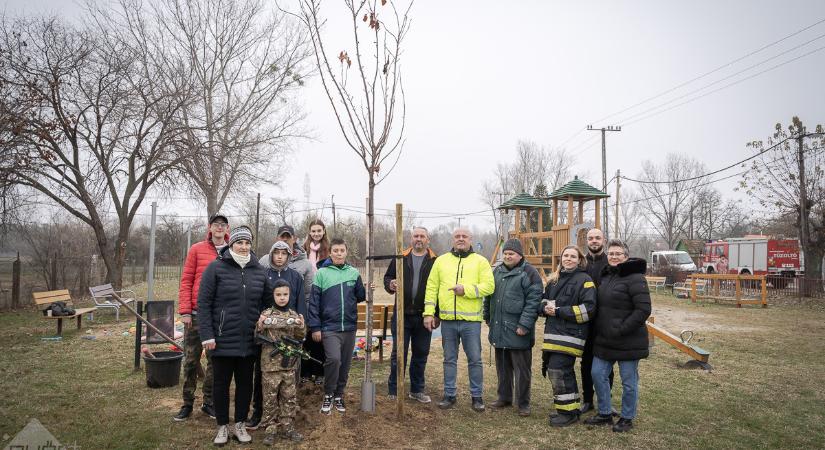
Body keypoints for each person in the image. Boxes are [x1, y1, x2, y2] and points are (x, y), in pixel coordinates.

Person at [198, 226, 272, 445]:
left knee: (245, 385)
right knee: (220, 384)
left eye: (247, 243)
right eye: (239, 243)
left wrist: (265, 321)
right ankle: (222, 426)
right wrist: (207, 335)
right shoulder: (215, 268)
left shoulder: (259, 271)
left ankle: (240, 424)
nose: (244, 246)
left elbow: (268, 303)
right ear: (231, 245)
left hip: (249, 341)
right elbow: (203, 304)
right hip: (221, 339)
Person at [423, 228, 495, 412]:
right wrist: (429, 313)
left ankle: (477, 397)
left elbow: (489, 286)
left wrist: (467, 290)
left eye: (464, 236)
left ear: (470, 239)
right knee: (449, 359)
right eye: (457, 236)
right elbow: (431, 288)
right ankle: (449, 395)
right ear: (453, 240)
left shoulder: (481, 261)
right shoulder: (441, 261)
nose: (460, 239)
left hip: (471, 322)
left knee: (475, 360)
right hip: (447, 321)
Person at [584, 239, 651, 433]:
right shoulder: (607, 276)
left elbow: (643, 309)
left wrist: (621, 329)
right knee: (597, 374)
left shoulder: (636, 278)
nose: (613, 257)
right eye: (611, 254)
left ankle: (627, 417)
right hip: (604, 339)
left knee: (628, 381)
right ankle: (605, 413)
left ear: (626, 257)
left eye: (618, 254)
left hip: (628, 340)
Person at [247, 240, 306, 430]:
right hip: (268, 335)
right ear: (271, 254)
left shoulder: (296, 276)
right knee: (264, 377)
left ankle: (287, 414)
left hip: (290, 333)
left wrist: (299, 328)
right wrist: (260, 323)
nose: (279, 256)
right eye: (276, 253)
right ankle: (260, 413)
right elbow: (256, 301)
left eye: (283, 253)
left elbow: (300, 302)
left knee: (289, 375)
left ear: (289, 256)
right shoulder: (263, 275)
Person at [174, 213, 228, 422]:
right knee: (190, 360)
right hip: (196, 315)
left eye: (223, 224)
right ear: (210, 227)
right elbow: (187, 280)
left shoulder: (231, 251)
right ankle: (187, 403)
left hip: (218, 317)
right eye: (216, 224)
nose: (219, 228)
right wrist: (186, 311)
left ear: (226, 228)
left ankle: (208, 402)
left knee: (215, 362)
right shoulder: (197, 249)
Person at [307, 238, 367, 415]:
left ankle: (339, 394)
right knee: (334, 360)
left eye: (342, 250)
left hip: (349, 326)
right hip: (329, 327)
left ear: (346, 252)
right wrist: (315, 327)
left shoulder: (354, 272)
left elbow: (360, 296)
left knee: (346, 364)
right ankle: (328, 394)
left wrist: (367, 289)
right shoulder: (322, 273)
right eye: (336, 251)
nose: (339, 253)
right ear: (330, 253)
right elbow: (314, 303)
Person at [539, 245, 597, 427]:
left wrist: (558, 311)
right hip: (553, 335)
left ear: (580, 260)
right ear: (561, 258)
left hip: (571, 337)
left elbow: (589, 310)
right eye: (566, 256)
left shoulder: (585, 280)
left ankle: (568, 414)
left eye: (573, 256)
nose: (569, 259)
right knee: (561, 372)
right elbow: (542, 301)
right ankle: (569, 410)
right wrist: (543, 308)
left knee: (559, 371)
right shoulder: (553, 280)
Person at [483, 239, 542, 417]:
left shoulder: (530, 273)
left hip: (518, 330)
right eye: (506, 253)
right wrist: (487, 316)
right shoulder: (497, 271)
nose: (508, 256)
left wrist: (524, 325)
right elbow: (489, 297)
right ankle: (504, 397)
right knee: (502, 367)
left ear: (520, 255)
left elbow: (534, 302)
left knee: (522, 369)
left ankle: (523, 403)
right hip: (499, 328)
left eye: (511, 254)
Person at [260, 224, 323, 382]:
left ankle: (292, 400)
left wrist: (302, 323)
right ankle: (265, 403)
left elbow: (304, 297)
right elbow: (260, 298)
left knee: (292, 363)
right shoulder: (264, 268)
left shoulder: (297, 274)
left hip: (291, 324)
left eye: (288, 237)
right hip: (270, 327)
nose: (280, 256)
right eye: (282, 237)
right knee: (270, 365)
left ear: (294, 239)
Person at [384, 227, 438, 403]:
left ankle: (416, 390)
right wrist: (390, 284)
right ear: (411, 238)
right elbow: (388, 277)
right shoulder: (401, 257)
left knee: (421, 353)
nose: (419, 239)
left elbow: (440, 289)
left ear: (427, 239)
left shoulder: (435, 260)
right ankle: (394, 388)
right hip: (402, 314)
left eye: (422, 236)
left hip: (424, 316)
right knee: (399, 353)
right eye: (416, 236)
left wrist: (435, 314)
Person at [257, 280, 306, 444]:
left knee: (289, 397)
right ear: (273, 295)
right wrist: (260, 324)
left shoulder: (293, 315)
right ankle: (270, 429)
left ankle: (288, 428)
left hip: (289, 366)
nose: (282, 298)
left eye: (285, 294)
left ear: (289, 295)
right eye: (278, 294)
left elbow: (300, 338)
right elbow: (256, 337)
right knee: (270, 399)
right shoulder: (266, 314)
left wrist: (300, 326)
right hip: (270, 366)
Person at [580, 228, 613, 413]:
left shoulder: (611, 262)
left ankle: (606, 401)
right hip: (585, 321)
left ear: (604, 240)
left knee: (607, 362)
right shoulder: (581, 263)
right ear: (587, 241)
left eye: (597, 238)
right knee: (586, 361)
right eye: (591, 238)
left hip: (606, 320)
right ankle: (587, 399)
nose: (594, 241)